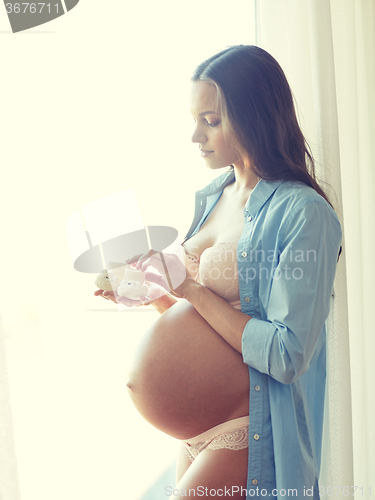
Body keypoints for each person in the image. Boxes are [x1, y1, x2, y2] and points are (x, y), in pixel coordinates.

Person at [95, 45, 342, 499]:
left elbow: (287, 354)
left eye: (210, 121)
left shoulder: (303, 213)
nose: (195, 136)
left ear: (255, 117)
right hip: (197, 430)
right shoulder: (213, 196)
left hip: (250, 424)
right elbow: (209, 324)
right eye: (195, 119)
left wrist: (188, 288)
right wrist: (155, 294)